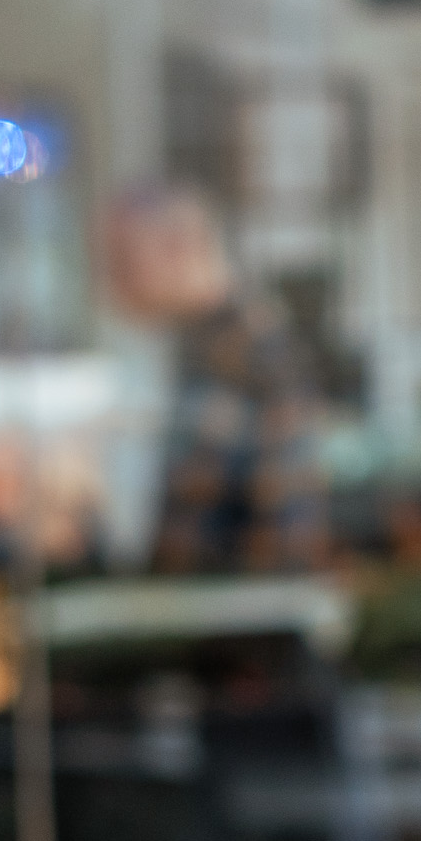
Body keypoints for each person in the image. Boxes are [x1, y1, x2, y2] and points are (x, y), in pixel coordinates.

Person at [106, 184, 332, 576]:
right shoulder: (197, 346)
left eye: (122, 261)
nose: (110, 281)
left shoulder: (253, 349)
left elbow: (288, 526)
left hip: (238, 619)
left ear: (176, 248)